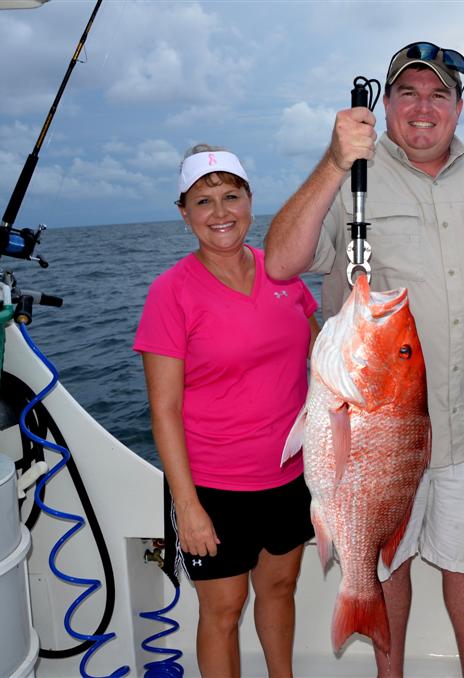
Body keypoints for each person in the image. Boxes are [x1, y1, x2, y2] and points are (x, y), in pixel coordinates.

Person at [264, 42, 464, 677]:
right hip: (372, 428)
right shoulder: (350, 176)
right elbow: (281, 260)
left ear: (459, 107)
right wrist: (335, 162)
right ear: (387, 104)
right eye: (409, 93)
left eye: (439, 94)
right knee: (384, 561)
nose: (424, 107)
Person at [134, 145, 319, 677]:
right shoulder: (170, 294)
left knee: (280, 589)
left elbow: (324, 361)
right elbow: (164, 410)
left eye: (231, 196)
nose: (220, 213)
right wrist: (187, 506)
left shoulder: (284, 274)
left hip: (290, 474)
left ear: (251, 202)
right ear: (184, 213)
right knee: (223, 609)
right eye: (204, 201)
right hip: (214, 487)